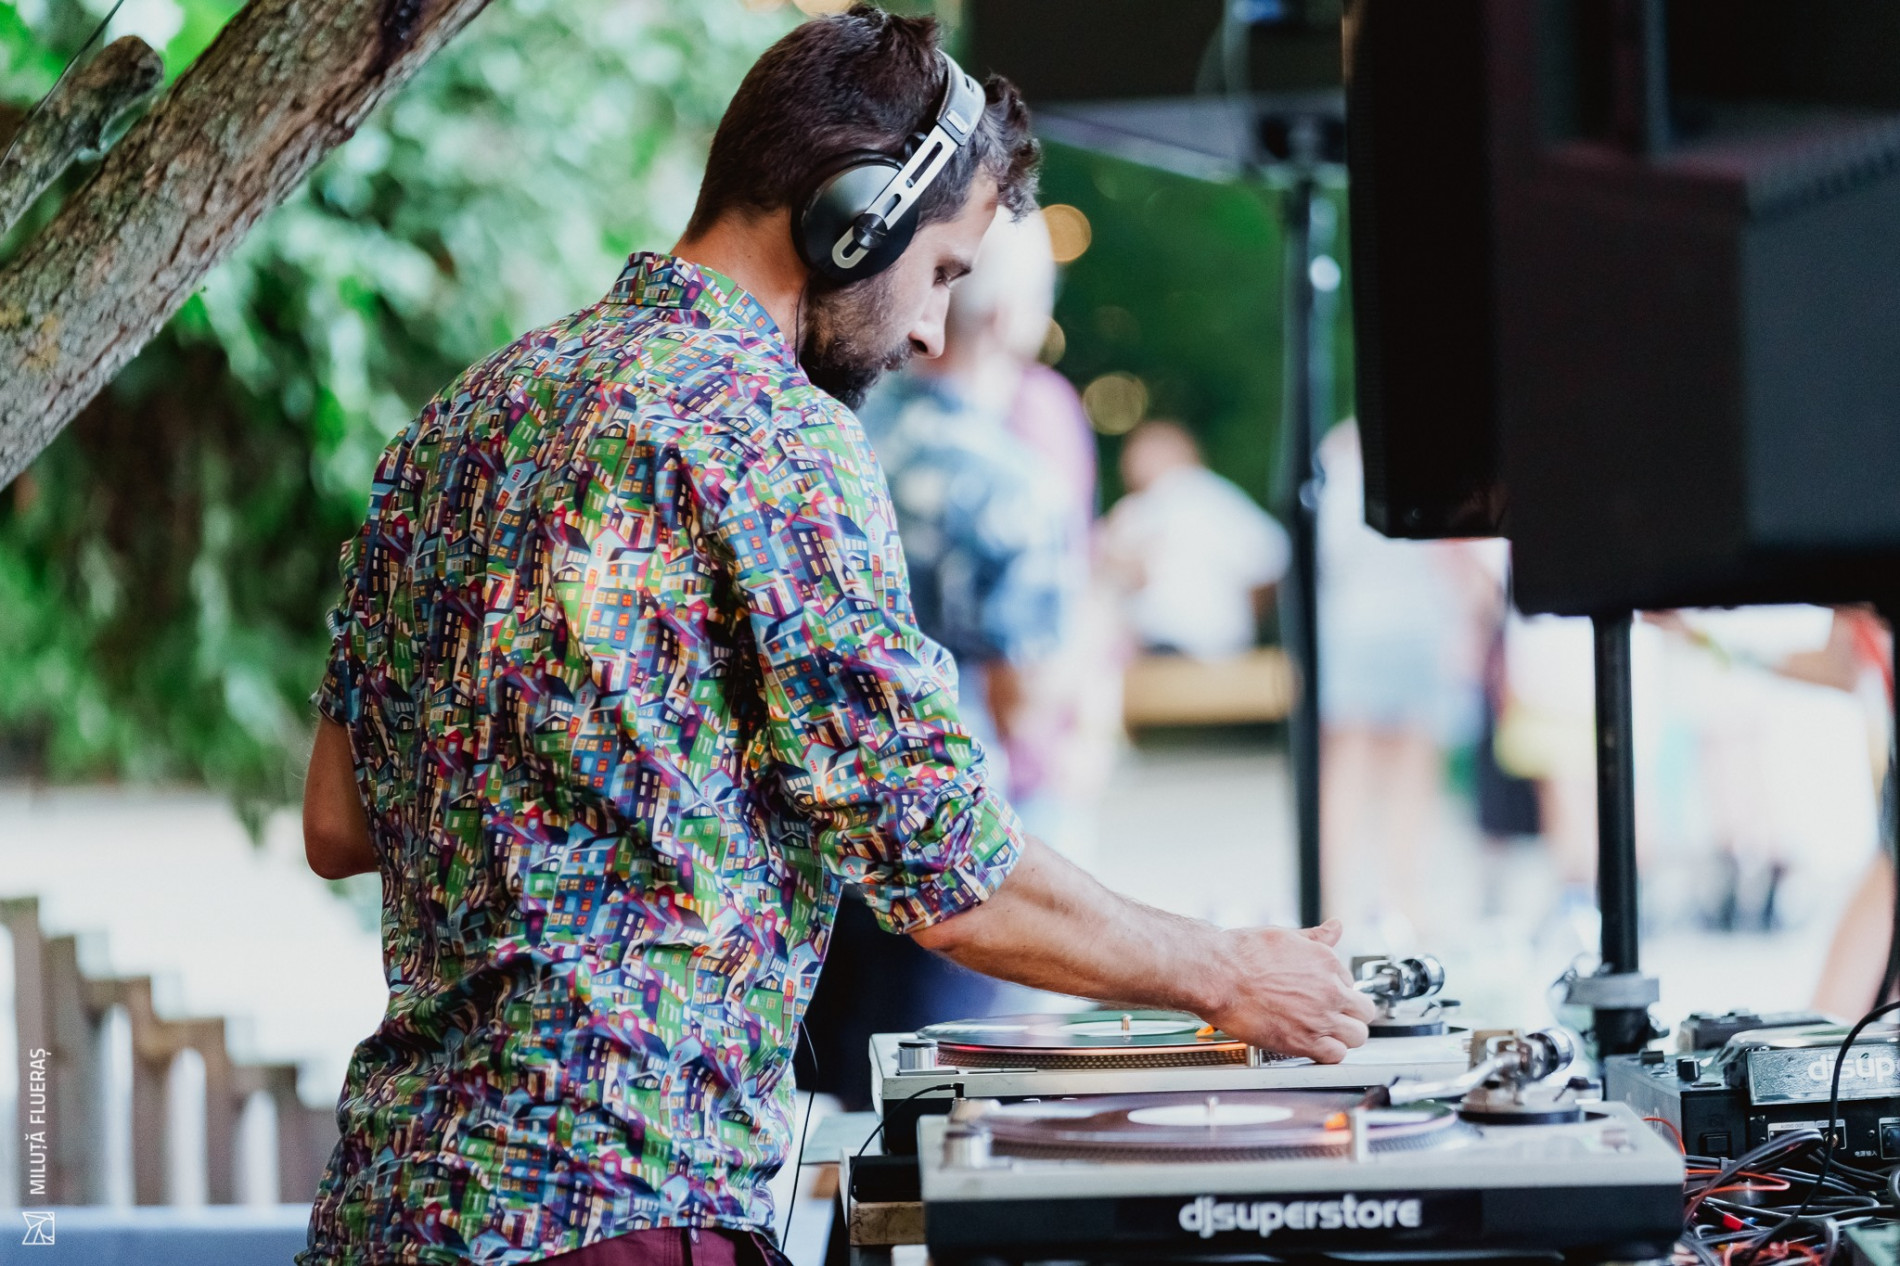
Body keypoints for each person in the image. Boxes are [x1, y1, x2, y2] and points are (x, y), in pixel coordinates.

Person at [298, 9, 1377, 1266]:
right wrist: (1227, 972)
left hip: (388, 1211)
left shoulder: (457, 423)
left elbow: (338, 821)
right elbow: (942, 864)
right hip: (615, 1216)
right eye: (942, 272)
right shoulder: (773, 434)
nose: (929, 333)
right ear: (853, 217)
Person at [1099, 419, 1290, 660]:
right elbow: (1273, 558)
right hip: (1222, 648)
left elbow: (1114, 568)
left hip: (1160, 646)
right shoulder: (1217, 496)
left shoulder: (1140, 509)